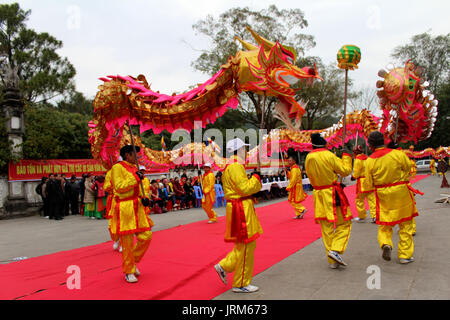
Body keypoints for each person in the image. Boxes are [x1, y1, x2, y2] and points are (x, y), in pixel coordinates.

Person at [214, 138, 262, 293]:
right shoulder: (235, 166)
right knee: (247, 246)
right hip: (241, 208)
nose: (246, 152)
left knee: (245, 245)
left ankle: (225, 265)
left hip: (239, 206)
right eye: (245, 149)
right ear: (240, 150)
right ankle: (240, 283)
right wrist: (256, 179)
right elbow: (244, 188)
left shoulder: (232, 165)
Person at [363, 131, 418, 264]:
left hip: (383, 194)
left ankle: (386, 243)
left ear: (370, 145)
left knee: (385, 225)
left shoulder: (369, 161)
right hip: (401, 192)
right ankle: (405, 255)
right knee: (406, 224)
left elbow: (368, 183)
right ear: (384, 141)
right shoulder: (397, 154)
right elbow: (408, 167)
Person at [305, 133, 353, 268]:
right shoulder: (329, 155)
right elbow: (345, 171)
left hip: (318, 194)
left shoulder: (309, 157)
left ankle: (332, 260)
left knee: (326, 228)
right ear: (324, 144)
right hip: (332, 193)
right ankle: (335, 249)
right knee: (344, 223)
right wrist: (346, 157)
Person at [107, 145, 153, 283]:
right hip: (125, 207)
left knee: (146, 236)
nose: (137, 157)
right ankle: (128, 271)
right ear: (127, 155)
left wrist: (144, 199)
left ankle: (132, 262)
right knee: (126, 243)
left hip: (137, 206)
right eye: (135, 154)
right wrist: (135, 178)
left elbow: (140, 188)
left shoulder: (135, 168)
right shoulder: (117, 168)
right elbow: (119, 187)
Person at [352, 145, 376, 223]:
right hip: (369, 181)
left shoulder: (357, 160)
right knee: (372, 200)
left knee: (359, 200)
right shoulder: (368, 158)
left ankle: (362, 216)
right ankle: (375, 216)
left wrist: (353, 177)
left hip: (362, 183)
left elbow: (356, 172)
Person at [285, 150, 307, 219]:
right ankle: (299, 213)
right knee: (294, 200)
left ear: (294, 161)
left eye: (290, 160)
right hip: (297, 186)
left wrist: (289, 187)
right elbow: (292, 177)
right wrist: (287, 172)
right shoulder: (294, 168)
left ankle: (302, 209)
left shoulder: (294, 169)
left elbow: (293, 180)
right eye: (288, 160)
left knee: (292, 200)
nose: (289, 162)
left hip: (295, 187)